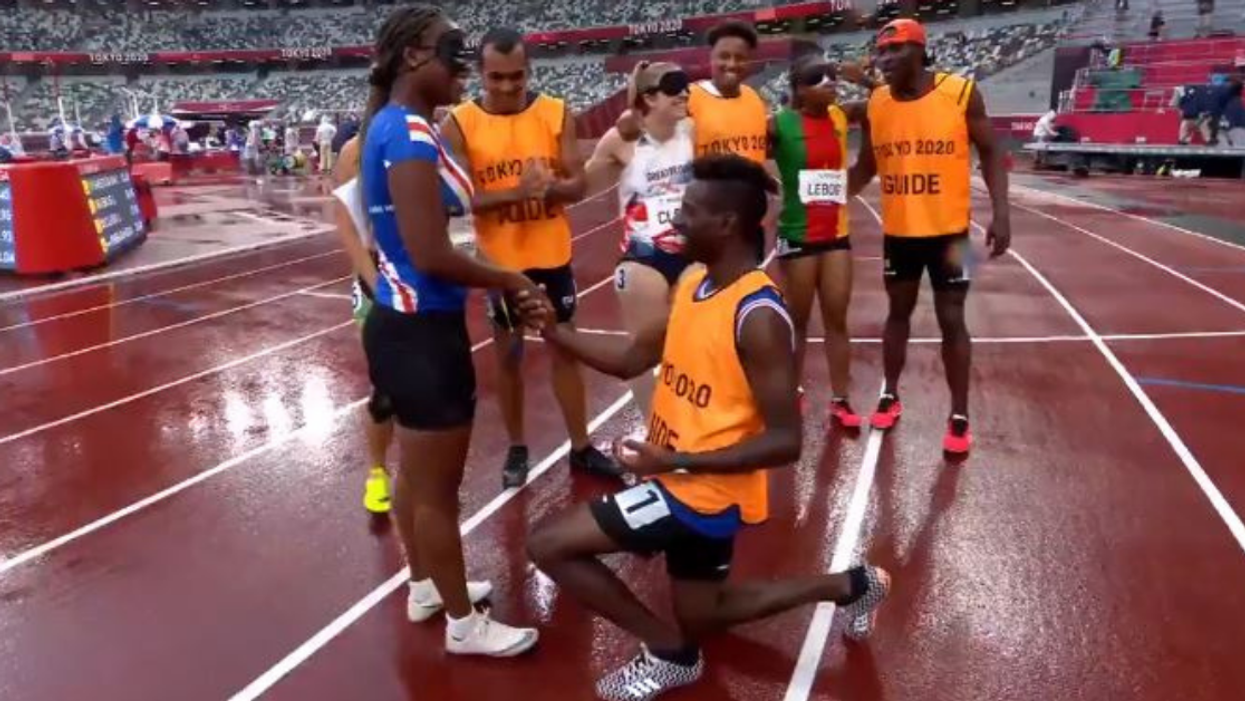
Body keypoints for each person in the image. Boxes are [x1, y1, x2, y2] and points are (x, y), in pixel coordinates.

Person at [522, 154, 890, 701]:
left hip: (702, 492)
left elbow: (786, 442)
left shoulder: (759, 316)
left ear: (727, 224)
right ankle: (852, 585)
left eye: (688, 212)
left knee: (548, 544)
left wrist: (674, 462)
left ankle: (669, 655)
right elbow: (629, 358)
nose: (674, 223)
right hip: (679, 477)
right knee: (705, 613)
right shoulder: (695, 283)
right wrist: (553, 331)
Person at [358, 5, 539, 656]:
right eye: (450, 54)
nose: (462, 69)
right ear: (413, 57)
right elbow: (431, 252)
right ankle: (464, 623)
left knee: (414, 477)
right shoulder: (406, 132)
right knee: (436, 491)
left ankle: (426, 583)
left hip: (402, 324)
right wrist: (512, 281)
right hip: (422, 332)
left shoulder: (392, 125)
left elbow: (437, 227)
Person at [441, 27, 620, 488]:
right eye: (496, 78)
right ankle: (517, 447)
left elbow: (579, 184)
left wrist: (553, 189)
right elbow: (457, 200)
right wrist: (516, 193)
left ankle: (581, 448)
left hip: (552, 255)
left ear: (529, 71)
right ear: (480, 73)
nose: (506, 87)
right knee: (509, 356)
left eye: (516, 77)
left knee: (565, 350)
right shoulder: (459, 124)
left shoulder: (556, 112)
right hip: (500, 265)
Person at [847, 18, 1011, 455]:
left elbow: (993, 151)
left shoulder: (960, 93)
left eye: (894, 50)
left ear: (920, 51)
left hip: (953, 235)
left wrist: (1001, 213)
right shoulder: (876, 103)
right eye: (880, 52)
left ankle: (959, 415)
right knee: (895, 314)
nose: (884, 60)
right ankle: (890, 393)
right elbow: (866, 166)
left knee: (953, 319)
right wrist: (829, 196)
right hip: (899, 234)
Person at [584, 60, 697, 417]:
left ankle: (693, 423)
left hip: (691, 253)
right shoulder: (620, 140)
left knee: (695, 341)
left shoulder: (690, 129)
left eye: (685, 86)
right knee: (645, 351)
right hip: (642, 257)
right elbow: (582, 186)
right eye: (674, 87)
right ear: (650, 97)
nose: (684, 93)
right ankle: (655, 432)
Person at [770, 52, 863, 427]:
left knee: (837, 320)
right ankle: (790, 392)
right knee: (797, 321)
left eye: (831, 77)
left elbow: (892, 102)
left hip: (836, 236)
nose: (830, 83)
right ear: (799, 90)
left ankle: (841, 400)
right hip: (798, 236)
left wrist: (865, 78)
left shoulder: (842, 115)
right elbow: (737, 149)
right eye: (817, 78)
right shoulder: (778, 124)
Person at [329, 134, 396, 515]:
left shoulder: (431, 136)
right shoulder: (355, 151)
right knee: (385, 388)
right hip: (377, 285)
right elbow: (349, 224)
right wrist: (378, 287)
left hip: (425, 280)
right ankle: (377, 472)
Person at [687, 20, 768, 164]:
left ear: (749, 61)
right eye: (724, 56)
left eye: (740, 58)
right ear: (711, 58)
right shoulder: (688, 98)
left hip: (753, 186)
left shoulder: (754, 97)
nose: (731, 64)